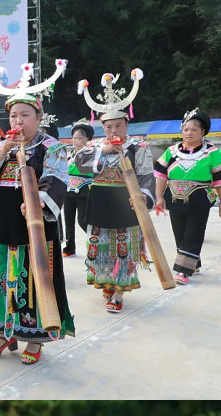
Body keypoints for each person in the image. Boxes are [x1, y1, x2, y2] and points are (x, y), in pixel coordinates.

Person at [0, 92, 73, 363]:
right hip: (3, 223)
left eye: (25, 115)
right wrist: (1, 150)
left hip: (35, 226)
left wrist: (37, 203)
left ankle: (34, 337)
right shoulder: (4, 145)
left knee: (32, 282)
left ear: (39, 118)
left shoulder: (51, 147)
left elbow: (56, 180)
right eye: (13, 115)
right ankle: (4, 332)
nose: (18, 121)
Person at [76, 69, 154, 313]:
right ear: (102, 126)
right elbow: (79, 162)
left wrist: (143, 196)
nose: (113, 131)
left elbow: (146, 177)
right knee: (100, 248)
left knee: (125, 248)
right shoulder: (94, 146)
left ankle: (119, 292)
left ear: (126, 124)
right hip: (100, 204)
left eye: (118, 126)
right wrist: (103, 152)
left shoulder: (138, 147)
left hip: (127, 205)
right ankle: (108, 283)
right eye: (109, 127)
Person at [154, 108, 221, 285]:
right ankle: (194, 264)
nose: (189, 132)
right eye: (186, 129)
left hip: (200, 199)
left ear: (203, 132)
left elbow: (219, 181)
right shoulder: (171, 151)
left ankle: (183, 271)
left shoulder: (212, 152)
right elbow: (161, 176)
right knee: (180, 234)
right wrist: (159, 198)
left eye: (194, 129)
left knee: (193, 233)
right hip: (174, 198)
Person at [63, 120, 94, 256]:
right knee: (68, 220)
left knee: (82, 219)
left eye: (80, 138)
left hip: (84, 190)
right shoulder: (68, 154)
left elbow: (88, 170)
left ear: (87, 139)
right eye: (75, 138)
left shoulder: (91, 153)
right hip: (69, 190)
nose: (77, 140)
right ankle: (69, 248)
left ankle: (95, 240)